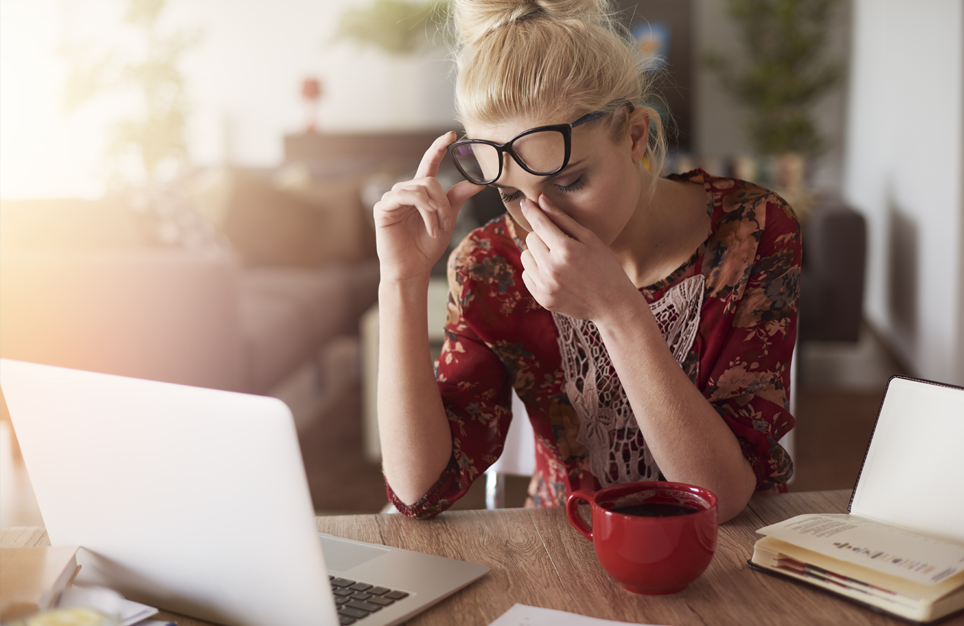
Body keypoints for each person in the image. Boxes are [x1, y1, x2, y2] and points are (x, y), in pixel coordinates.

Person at [372, 0, 800, 524]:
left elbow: (722, 498)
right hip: (566, 547)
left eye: (569, 181)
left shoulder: (750, 231)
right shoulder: (491, 265)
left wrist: (617, 311)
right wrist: (401, 279)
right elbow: (419, 492)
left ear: (637, 135)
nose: (541, 220)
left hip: (726, 561)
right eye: (510, 194)